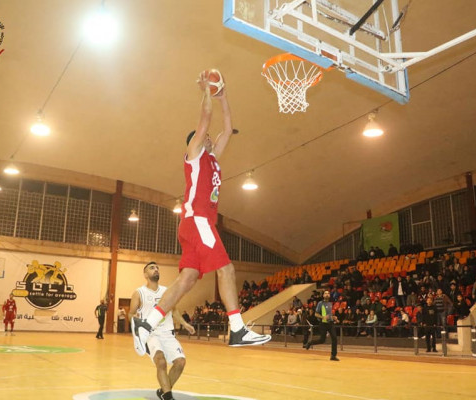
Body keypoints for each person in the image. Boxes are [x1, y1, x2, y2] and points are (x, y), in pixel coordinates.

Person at [131, 73, 270, 355]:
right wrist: (207, 91)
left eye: (208, 137)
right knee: (226, 269)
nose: (209, 137)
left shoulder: (212, 158)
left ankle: (147, 324)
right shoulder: (194, 154)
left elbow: (227, 129)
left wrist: (223, 97)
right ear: (194, 141)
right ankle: (237, 329)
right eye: (204, 136)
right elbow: (205, 119)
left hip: (193, 225)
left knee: (188, 279)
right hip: (198, 221)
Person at [130, 262, 195, 400]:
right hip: (151, 334)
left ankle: (163, 391)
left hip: (167, 333)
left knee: (180, 362)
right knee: (161, 361)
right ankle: (168, 397)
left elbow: (174, 310)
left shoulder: (166, 291)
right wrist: (135, 321)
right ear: (145, 274)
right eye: (152, 268)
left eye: (157, 268)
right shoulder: (139, 293)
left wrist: (184, 324)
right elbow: (131, 313)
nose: (156, 270)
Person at [304, 290, 339, 361]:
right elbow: (316, 314)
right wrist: (323, 317)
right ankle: (310, 342)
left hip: (330, 323)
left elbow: (329, 315)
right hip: (323, 324)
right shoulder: (320, 303)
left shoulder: (330, 303)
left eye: (328, 293)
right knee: (322, 340)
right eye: (325, 293)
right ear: (323, 295)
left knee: (334, 338)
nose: (327, 294)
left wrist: (334, 318)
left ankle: (333, 355)